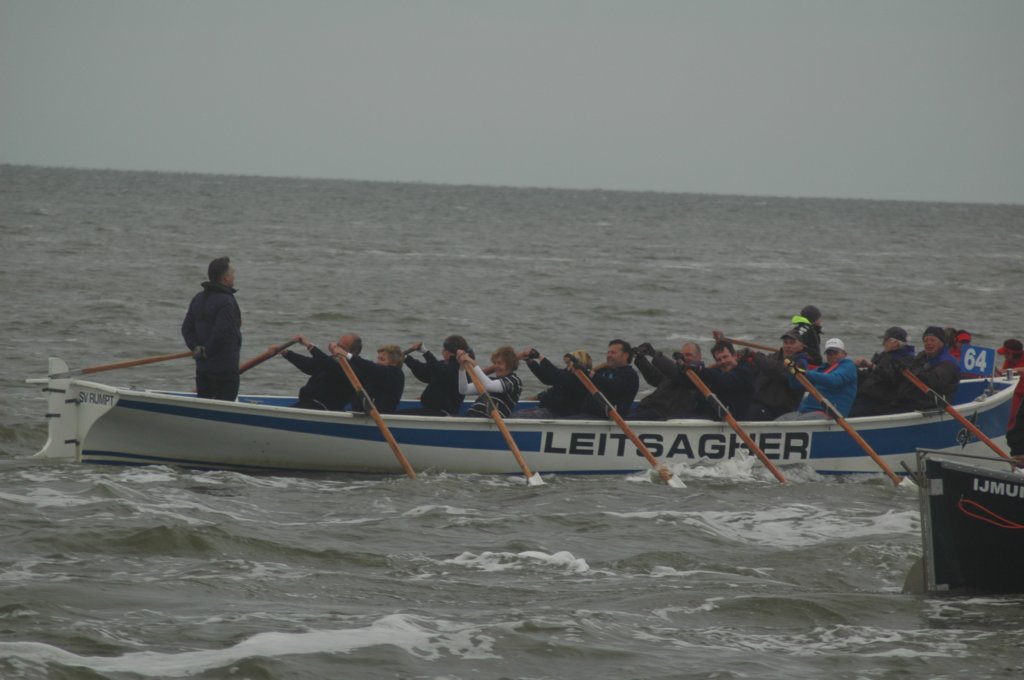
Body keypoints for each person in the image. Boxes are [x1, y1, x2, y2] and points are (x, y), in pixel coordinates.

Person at [181, 256, 242, 401]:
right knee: (224, 406)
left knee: (204, 403)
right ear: (226, 278)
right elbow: (221, 333)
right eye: (233, 274)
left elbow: (186, 329)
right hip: (224, 370)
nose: (234, 276)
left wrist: (196, 348)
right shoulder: (227, 301)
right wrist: (205, 351)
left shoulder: (198, 298)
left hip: (203, 368)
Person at [778, 337, 857, 420]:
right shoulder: (822, 369)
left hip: (830, 413)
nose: (832, 355)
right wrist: (792, 372)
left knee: (797, 422)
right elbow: (796, 385)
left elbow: (833, 380)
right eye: (829, 353)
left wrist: (804, 372)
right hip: (806, 410)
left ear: (844, 354)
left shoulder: (848, 366)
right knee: (780, 420)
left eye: (835, 352)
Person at [277, 333, 361, 411]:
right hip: (309, 403)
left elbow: (329, 364)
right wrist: (286, 353)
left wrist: (308, 345)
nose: (336, 349)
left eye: (341, 347)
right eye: (337, 345)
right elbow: (309, 366)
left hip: (324, 408)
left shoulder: (354, 368)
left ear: (353, 352)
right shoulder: (334, 360)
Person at [849, 326, 917, 417]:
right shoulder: (884, 355)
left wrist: (871, 366)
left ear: (895, 342)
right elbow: (871, 375)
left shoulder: (907, 359)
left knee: (852, 413)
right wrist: (852, 368)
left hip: (884, 400)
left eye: (885, 340)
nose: (883, 343)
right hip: (867, 394)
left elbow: (893, 377)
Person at [627, 341, 705, 420]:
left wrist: (653, 354)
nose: (684, 358)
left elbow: (675, 372)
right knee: (622, 412)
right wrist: (639, 357)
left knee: (626, 418)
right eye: (682, 355)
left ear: (699, 357)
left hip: (663, 414)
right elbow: (655, 378)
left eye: (689, 355)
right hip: (649, 408)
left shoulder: (699, 374)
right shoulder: (677, 372)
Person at [743, 329, 809, 421]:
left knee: (750, 413)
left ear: (801, 346)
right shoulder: (773, 357)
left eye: (792, 342)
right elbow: (759, 368)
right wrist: (742, 360)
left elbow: (778, 371)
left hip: (780, 410)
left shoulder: (800, 363)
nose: (788, 346)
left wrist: (755, 356)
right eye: (785, 342)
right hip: (758, 403)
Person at [893, 326, 961, 411]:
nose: (928, 343)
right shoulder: (923, 356)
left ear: (942, 343)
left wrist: (915, 370)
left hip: (935, 402)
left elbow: (935, 381)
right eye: (926, 341)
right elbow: (912, 365)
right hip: (916, 399)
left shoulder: (948, 363)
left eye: (932, 340)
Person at [401, 335, 469, 416]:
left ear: (449, 352)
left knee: (399, 414)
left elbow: (439, 370)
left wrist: (425, 352)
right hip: (432, 411)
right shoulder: (443, 366)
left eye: (444, 350)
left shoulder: (459, 369)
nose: (442, 352)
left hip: (444, 413)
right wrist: (407, 359)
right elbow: (425, 372)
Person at [515, 348, 592, 418]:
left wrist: (540, 357)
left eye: (570, 362)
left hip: (560, 414)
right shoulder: (568, 374)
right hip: (548, 409)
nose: (568, 364)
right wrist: (529, 361)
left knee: (515, 416)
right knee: (516, 414)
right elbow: (546, 378)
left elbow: (555, 374)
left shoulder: (580, 379)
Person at [688, 340, 754, 420]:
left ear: (735, 356)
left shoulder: (744, 372)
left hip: (736, 420)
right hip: (713, 418)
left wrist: (701, 370)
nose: (723, 361)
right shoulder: (718, 372)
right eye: (719, 360)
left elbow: (726, 380)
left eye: (725, 357)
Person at [578, 339, 639, 419]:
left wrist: (590, 373)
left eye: (613, 353)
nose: (609, 355)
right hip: (587, 413)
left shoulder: (630, 375)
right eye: (608, 352)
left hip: (608, 419)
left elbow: (612, 386)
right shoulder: (604, 370)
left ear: (625, 355)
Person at [458, 346, 523, 418]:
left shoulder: (514, 381)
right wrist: (462, 368)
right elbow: (464, 390)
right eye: (495, 363)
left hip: (489, 421)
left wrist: (473, 363)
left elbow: (488, 386)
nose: (496, 366)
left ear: (510, 365)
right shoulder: (491, 380)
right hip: (471, 417)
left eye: (499, 363)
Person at [343, 344, 406, 414]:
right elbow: (364, 367)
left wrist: (347, 354)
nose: (378, 362)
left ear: (394, 363)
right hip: (363, 412)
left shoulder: (394, 374)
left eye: (382, 359)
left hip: (381, 415)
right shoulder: (379, 373)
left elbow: (369, 366)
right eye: (378, 358)